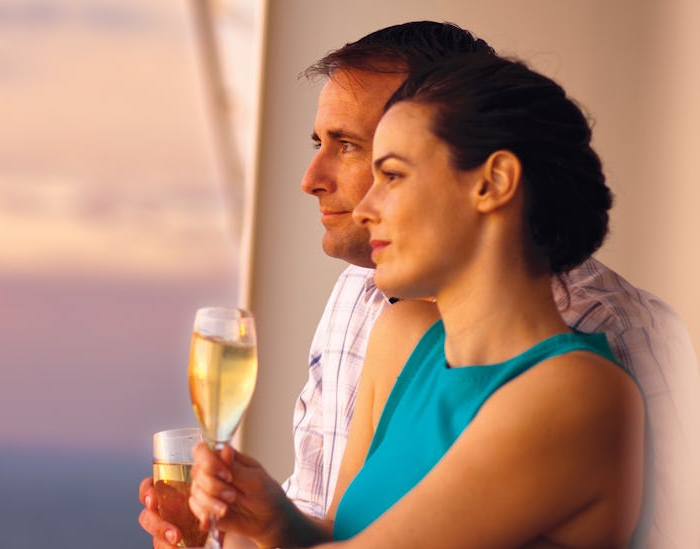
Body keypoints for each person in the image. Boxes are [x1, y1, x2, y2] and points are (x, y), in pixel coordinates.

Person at [138, 21, 699, 548]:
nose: (367, 208)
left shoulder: (579, 392)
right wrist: (274, 524)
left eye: (392, 175)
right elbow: (347, 536)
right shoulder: (401, 334)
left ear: (493, 183)